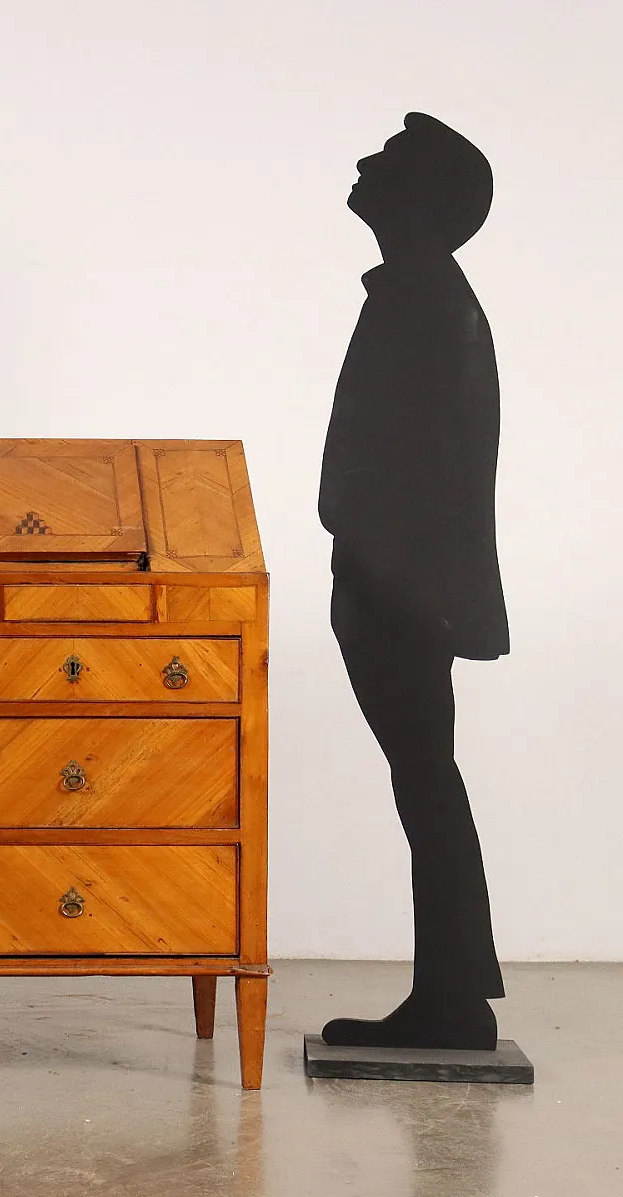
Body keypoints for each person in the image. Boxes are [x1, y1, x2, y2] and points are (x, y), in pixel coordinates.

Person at [318, 112, 508, 1050]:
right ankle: (455, 992)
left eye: (387, 160)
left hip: (400, 586)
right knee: (426, 778)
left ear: (423, 200)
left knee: (426, 778)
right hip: (394, 579)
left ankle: (454, 998)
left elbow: (438, 465)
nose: (362, 162)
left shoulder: (427, 301)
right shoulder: (420, 294)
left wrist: (381, 574)